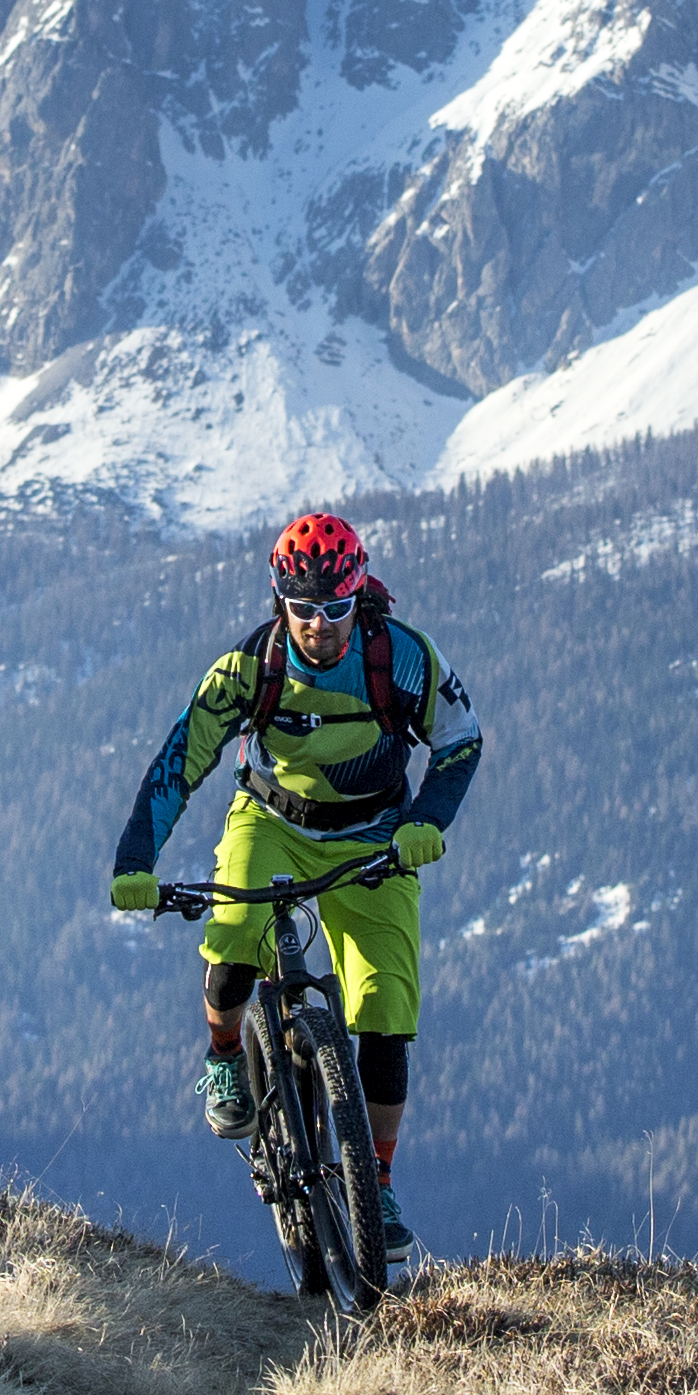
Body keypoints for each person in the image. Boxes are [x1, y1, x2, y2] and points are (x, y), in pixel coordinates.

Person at [103, 510, 483, 1269]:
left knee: (385, 1011)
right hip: (270, 820)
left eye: (335, 609)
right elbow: (181, 760)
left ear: (358, 597)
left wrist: (428, 819)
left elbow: (460, 741)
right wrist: (134, 863)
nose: (318, 626)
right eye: (303, 609)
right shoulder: (251, 666)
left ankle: (374, 1184)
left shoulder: (402, 658)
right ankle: (223, 1057)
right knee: (232, 936)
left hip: (375, 832)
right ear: (280, 600)